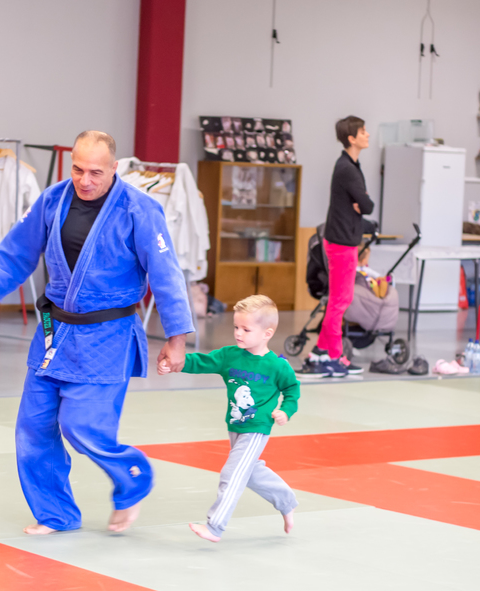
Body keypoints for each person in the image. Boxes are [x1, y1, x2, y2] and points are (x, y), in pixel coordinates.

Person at [0, 131, 194, 535]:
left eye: (95, 173)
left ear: (114, 168)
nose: (84, 180)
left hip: (108, 335)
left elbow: (166, 274)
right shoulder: (53, 199)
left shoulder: (139, 209)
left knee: (82, 426)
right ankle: (56, 514)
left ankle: (132, 478)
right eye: (77, 170)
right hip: (55, 333)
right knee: (33, 428)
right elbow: (19, 249)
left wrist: (177, 338)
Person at [158, 295, 299, 542]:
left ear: (267, 333)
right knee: (251, 473)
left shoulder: (277, 366)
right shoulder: (230, 356)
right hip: (235, 424)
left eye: (246, 329)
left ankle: (215, 526)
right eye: (236, 327)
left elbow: (292, 390)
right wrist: (175, 364)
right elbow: (202, 362)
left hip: (257, 428)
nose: (238, 333)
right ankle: (287, 502)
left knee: (232, 474)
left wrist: (285, 411)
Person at [299, 115, 375, 378]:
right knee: (339, 301)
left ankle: (319, 353)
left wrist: (361, 204)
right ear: (351, 138)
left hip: (345, 241)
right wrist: (361, 204)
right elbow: (367, 205)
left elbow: (363, 204)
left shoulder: (350, 166)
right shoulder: (347, 169)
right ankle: (334, 357)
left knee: (341, 300)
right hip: (341, 243)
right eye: (363, 131)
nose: (367, 134)